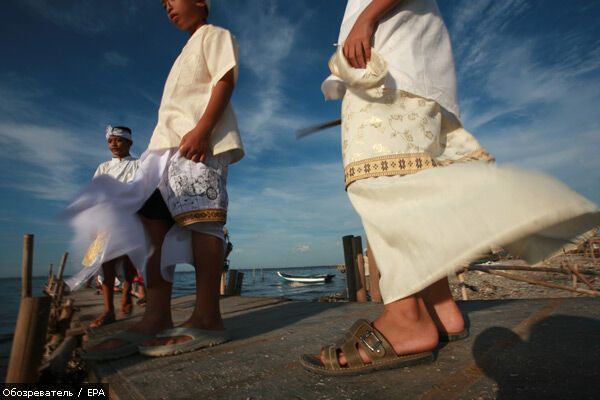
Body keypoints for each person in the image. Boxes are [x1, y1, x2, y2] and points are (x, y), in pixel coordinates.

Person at [300, 0, 600, 375]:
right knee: (412, 179)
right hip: (406, 68)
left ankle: (405, 318)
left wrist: (366, 16)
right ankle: (441, 308)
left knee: (379, 180)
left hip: (388, 66)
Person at [74, 0, 244, 360]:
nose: (167, 7)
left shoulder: (215, 35)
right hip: (160, 150)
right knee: (151, 222)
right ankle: (155, 316)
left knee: (204, 222)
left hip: (198, 142)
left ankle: (208, 318)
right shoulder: (182, 51)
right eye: (163, 3)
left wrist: (203, 128)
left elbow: (224, 80)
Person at [65, 125, 140, 328]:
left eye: (118, 140)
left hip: (128, 216)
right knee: (104, 262)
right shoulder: (103, 167)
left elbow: (141, 191)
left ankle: (126, 294)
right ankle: (108, 310)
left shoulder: (138, 164)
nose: (114, 144)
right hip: (105, 219)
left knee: (127, 259)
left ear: (129, 143)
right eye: (110, 141)